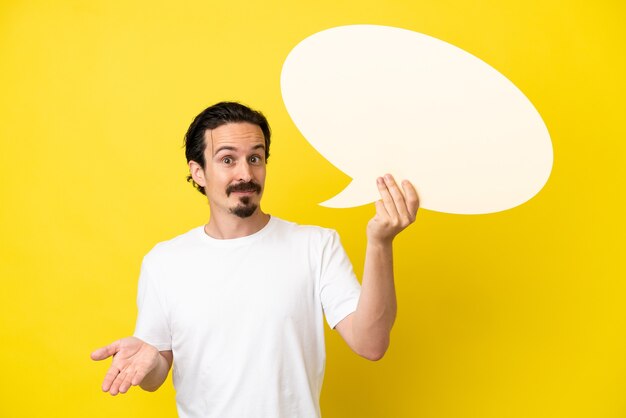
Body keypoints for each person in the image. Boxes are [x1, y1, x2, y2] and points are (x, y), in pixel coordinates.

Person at [91, 101, 419, 417]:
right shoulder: (164, 262)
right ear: (198, 172)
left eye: (256, 158)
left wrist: (380, 243)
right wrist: (148, 366)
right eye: (227, 160)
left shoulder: (315, 245)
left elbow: (371, 343)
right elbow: (156, 371)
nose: (245, 174)